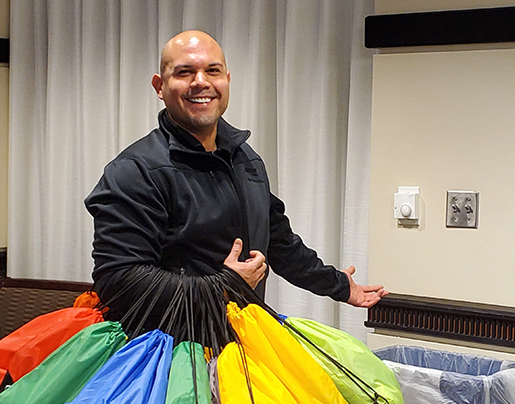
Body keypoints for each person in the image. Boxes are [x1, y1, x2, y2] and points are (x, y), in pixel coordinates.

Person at [85, 30, 387, 326]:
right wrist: (222, 286)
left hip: (242, 337)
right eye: (184, 72)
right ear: (159, 86)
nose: (200, 82)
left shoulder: (246, 159)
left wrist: (339, 285)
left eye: (212, 71)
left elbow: (279, 242)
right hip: (167, 353)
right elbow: (118, 281)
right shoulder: (134, 171)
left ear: (226, 80)